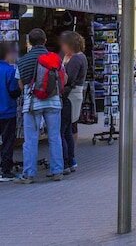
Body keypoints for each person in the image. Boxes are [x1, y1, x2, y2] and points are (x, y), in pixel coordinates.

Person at [17, 28, 64, 182]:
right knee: (54, 137)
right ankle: (57, 171)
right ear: (45, 41)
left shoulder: (23, 60)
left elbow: (20, 85)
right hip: (53, 102)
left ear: (29, 42)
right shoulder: (55, 58)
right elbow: (64, 78)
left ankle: (29, 174)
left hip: (32, 104)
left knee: (30, 139)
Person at [59, 31, 87, 174]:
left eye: (64, 44)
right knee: (68, 129)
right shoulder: (82, 57)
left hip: (70, 97)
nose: (62, 48)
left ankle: (64, 162)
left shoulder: (75, 59)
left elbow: (67, 79)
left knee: (62, 130)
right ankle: (71, 160)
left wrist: (63, 64)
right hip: (76, 96)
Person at [0, 42, 19, 182]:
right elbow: (13, 91)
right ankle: (5, 170)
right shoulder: (10, 71)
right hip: (7, 111)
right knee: (7, 141)